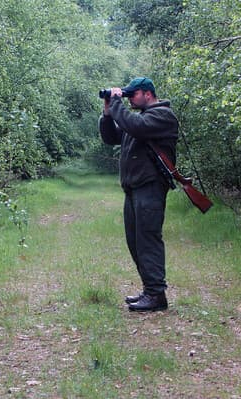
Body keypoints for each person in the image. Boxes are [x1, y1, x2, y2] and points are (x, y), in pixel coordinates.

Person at [98, 77, 179, 312]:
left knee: (148, 239)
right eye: (127, 94)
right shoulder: (139, 118)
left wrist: (116, 103)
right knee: (135, 241)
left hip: (150, 186)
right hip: (133, 188)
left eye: (133, 94)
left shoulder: (162, 116)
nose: (130, 98)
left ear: (148, 94)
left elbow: (134, 126)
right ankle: (149, 291)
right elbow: (111, 137)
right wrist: (107, 113)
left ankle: (156, 295)